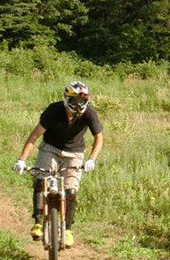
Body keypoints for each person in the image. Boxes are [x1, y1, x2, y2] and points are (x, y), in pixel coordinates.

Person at [13, 81, 103, 247]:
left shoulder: (89, 113)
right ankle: (38, 222)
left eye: (82, 101)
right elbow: (34, 135)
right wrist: (22, 159)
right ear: (67, 99)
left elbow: (99, 138)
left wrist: (91, 159)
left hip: (75, 152)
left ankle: (67, 229)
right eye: (75, 101)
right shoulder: (54, 110)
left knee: (71, 190)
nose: (78, 105)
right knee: (41, 181)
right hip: (50, 148)